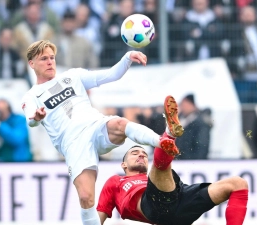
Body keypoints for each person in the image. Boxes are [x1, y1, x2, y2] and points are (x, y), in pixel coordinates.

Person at [21, 40, 184, 225]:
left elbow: (110, 75)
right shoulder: (31, 96)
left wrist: (127, 57)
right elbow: (30, 121)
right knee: (85, 197)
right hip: (73, 143)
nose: (50, 62)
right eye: (44, 58)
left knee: (120, 123)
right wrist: (37, 117)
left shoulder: (73, 76)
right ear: (31, 63)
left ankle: (161, 140)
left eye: (52, 57)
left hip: (95, 126)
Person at [97, 147, 248, 224]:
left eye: (144, 154)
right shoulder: (116, 181)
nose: (141, 155)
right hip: (153, 205)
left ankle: (167, 140)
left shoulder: (151, 177)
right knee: (160, 167)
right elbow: (99, 216)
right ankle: (169, 134)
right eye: (135, 153)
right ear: (123, 164)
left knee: (238, 184)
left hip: (179, 199)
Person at [175, 94, 212, 159]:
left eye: (184, 105)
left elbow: (202, 146)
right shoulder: (183, 120)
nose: (182, 108)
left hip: (193, 161)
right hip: (183, 160)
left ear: (191, 105)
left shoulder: (200, 123)